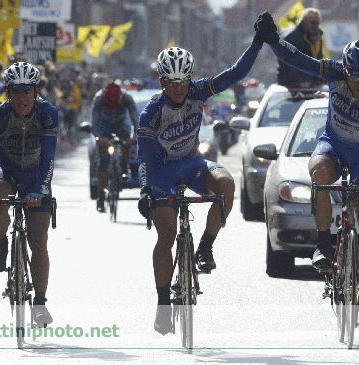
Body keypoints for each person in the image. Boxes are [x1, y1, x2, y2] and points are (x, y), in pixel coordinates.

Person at [260, 12, 359, 325]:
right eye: (355, 76)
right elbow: (299, 60)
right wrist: (273, 41)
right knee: (319, 174)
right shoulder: (335, 72)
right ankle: (323, 245)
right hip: (333, 146)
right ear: (346, 69)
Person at [137, 13, 274, 335]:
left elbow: (237, 73)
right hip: (161, 172)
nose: (179, 89)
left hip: (192, 162)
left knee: (226, 184)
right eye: (172, 83)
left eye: (183, 82)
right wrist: (145, 190)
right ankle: (162, 303)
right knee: (166, 235)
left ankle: (206, 247)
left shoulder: (199, 91)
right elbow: (143, 157)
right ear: (162, 83)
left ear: (189, 79)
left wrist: (257, 42)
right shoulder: (151, 112)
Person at [0, 62, 58, 326]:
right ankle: (0, 241)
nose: (22, 98)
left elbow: (49, 158)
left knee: (38, 238)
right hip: (5, 168)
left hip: (36, 172)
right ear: (8, 92)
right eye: (16, 92)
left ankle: (40, 303)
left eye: (27, 92)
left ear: (35, 91)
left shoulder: (48, 113)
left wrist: (40, 190)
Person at [91, 81, 138, 213]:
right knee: (103, 162)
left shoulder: (127, 98)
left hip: (121, 124)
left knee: (126, 142)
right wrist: (100, 138)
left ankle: (124, 166)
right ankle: (101, 196)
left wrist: (133, 138)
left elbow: (135, 121)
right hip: (103, 125)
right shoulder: (99, 98)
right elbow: (94, 123)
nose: (112, 107)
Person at [277, 8, 327, 88]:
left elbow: (318, 60)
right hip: (291, 86)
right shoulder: (291, 37)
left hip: (312, 85)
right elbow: (288, 62)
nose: (315, 25)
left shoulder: (317, 37)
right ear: (303, 21)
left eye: (317, 23)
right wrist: (300, 80)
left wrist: (319, 79)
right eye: (312, 23)